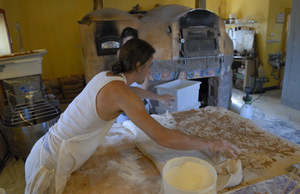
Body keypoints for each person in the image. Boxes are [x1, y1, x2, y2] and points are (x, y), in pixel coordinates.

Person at [25, 38, 240, 194]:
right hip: (51, 165)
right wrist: (211, 144)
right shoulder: (119, 92)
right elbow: (162, 137)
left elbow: (131, 92)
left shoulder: (107, 77)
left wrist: (158, 97)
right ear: (138, 66)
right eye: (149, 66)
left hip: (43, 152)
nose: (150, 72)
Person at [116, 27, 150, 122]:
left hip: (139, 93)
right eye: (126, 42)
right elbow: (119, 77)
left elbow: (146, 80)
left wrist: (140, 99)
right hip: (125, 94)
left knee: (142, 126)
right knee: (123, 128)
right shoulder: (120, 54)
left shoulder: (142, 55)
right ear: (122, 42)